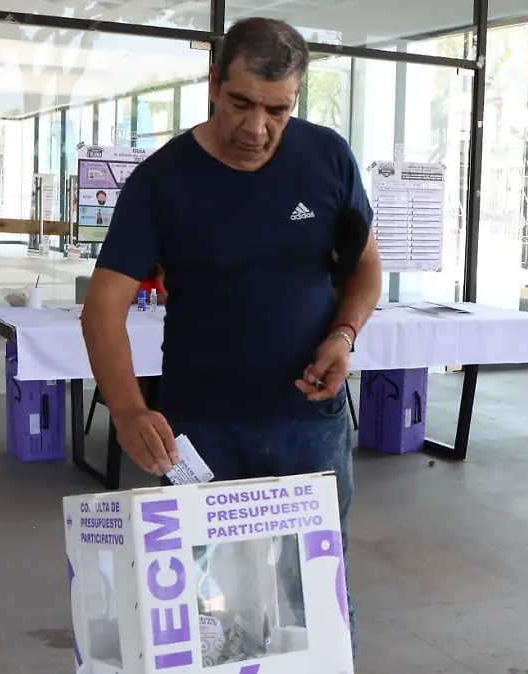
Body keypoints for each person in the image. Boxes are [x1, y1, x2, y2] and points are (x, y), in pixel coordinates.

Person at [79, 17, 380, 648]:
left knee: (312, 598)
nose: (257, 127)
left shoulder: (327, 157)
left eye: (278, 109)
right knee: (202, 608)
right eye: (241, 102)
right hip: (200, 431)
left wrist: (344, 334)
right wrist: (129, 411)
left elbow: (365, 268)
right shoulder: (162, 181)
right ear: (214, 82)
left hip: (310, 423)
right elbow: (103, 307)